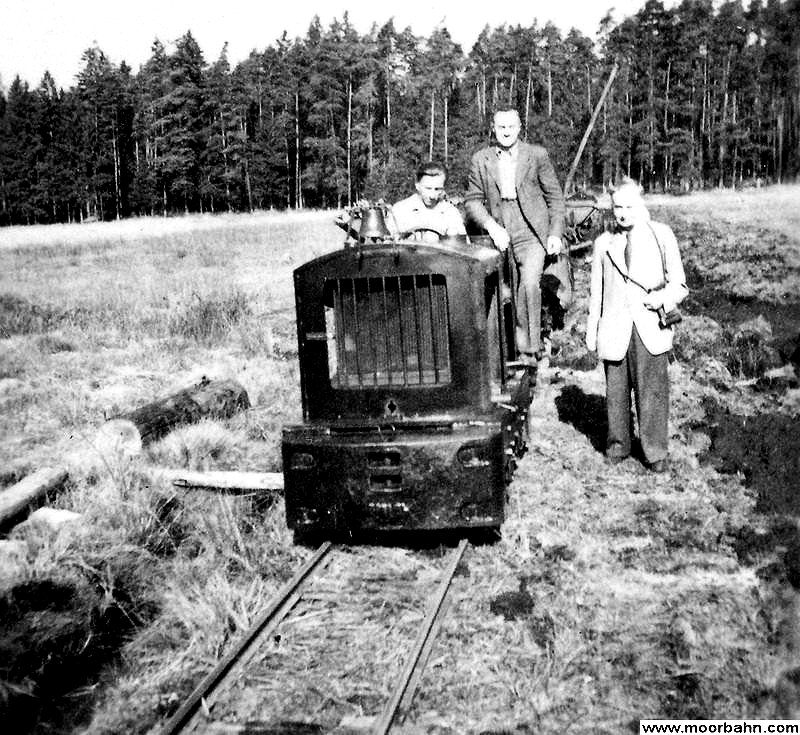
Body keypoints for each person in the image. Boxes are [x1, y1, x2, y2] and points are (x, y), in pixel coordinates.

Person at [585, 179, 688, 472]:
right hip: (614, 328)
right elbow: (597, 293)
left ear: (641, 204)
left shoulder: (661, 235)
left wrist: (662, 298)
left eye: (629, 206)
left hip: (649, 327)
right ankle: (618, 445)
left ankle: (655, 452)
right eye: (618, 206)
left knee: (652, 392)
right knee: (616, 392)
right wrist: (592, 334)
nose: (623, 213)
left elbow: (679, 284)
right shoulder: (604, 243)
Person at [464, 108, 566, 364]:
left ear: (520, 127)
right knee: (502, 289)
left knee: (529, 285)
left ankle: (528, 352)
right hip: (498, 229)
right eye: (501, 127)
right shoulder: (481, 159)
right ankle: (496, 352)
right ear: (493, 128)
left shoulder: (537, 155)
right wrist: (491, 226)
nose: (506, 131)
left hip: (531, 230)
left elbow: (555, 197)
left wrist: (554, 233)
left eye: (511, 126)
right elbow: (473, 202)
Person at [390, 161, 466, 242]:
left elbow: (461, 248)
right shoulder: (400, 210)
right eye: (428, 188)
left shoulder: (451, 213)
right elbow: (386, 246)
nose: (432, 196)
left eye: (437, 189)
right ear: (417, 185)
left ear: (444, 188)